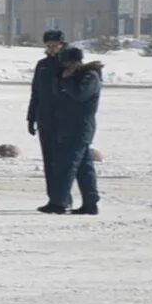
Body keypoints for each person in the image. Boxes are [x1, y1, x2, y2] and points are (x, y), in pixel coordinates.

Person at [47, 43, 103, 215]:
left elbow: (79, 95)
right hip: (70, 127)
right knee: (83, 167)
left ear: (76, 62)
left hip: (80, 128)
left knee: (67, 166)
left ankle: (59, 202)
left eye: (68, 64)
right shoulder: (77, 77)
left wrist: (68, 79)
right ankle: (90, 202)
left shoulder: (90, 77)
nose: (66, 67)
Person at [26, 28, 70, 203]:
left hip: (63, 120)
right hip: (44, 119)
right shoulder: (42, 65)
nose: (52, 48)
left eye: (55, 45)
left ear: (62, 45)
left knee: (62, 162)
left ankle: (63, 197)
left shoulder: (68, 65)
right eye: (49, 46)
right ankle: (53, 197)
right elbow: (35, 93)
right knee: (49, 161)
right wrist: (31, 117)